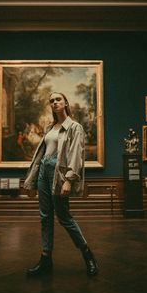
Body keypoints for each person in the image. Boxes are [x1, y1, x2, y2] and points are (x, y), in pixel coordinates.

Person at [23, 92, 98, 277]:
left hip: (59, 174)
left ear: (65, 103)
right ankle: (46, 260)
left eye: (58, 99)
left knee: (64, 217)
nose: (54, 102)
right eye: (51, 101)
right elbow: (41, 156)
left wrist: (69, 180)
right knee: (45, 217)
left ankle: (88, 255)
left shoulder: (75, 127)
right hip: (44, 172)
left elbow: (76, 156)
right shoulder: (50, 127)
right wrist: (33, 181)